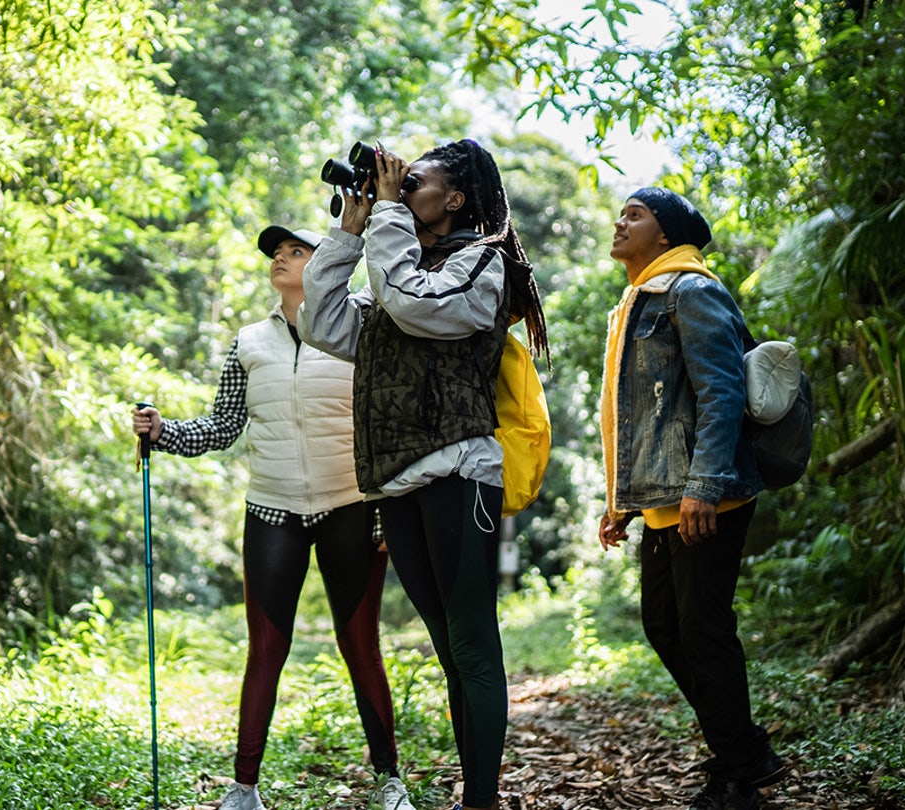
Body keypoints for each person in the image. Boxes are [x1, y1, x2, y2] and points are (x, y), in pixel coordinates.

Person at [299, 139, 550, 810]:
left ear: (456, 198)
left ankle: (482, 802)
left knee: (472, 646)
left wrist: (384, 220)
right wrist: (348, 234)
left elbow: (416, 305)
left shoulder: (482, 263)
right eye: (396, 185)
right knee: (449, 651)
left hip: (460, 472)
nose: (399, 192)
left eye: (413, 183)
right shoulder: (397, 262)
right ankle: (478, 796)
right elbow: (321, 322)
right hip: (399, 483)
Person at [131, 225, 415, 810]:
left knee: (361, 644)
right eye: (276, 255)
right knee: (265, 650)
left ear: (326, 263)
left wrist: (388, 511)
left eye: (296, 251)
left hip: (351, 507)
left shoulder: (362, 327)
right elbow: (222, 425)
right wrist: (163, 431)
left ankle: (389, 780)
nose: (281, 260)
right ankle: (245, 789)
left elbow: (390, 424)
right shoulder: (249, 341)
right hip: (272, 510)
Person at [596, 187, 790, 810]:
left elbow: (722, 391)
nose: (621, 222)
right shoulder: (638, 299)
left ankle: (741, 767)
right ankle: (741, 752)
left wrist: (705, 484)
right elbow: (633, 418)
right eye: (622, 212)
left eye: (636, 215)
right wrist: (619, 501)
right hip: (661, 496)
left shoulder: (693, 291)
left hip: (707, 496)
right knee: (665, 627)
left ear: (667, 235)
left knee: (702, 629)